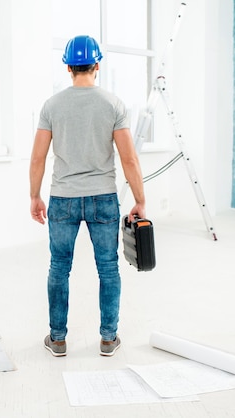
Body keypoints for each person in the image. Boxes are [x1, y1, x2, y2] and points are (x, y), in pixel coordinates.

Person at [29, 35, 146, 357]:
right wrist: (140, 199)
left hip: (63, 198)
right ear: (97, 65)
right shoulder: (113, 104)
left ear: (68, 67)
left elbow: (38, 158)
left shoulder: (52, 105)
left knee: (59, 268)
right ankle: (108, 339)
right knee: (108, 269)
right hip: (103, 198)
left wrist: (34, 196)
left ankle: (58, 339)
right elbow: (129, 159)